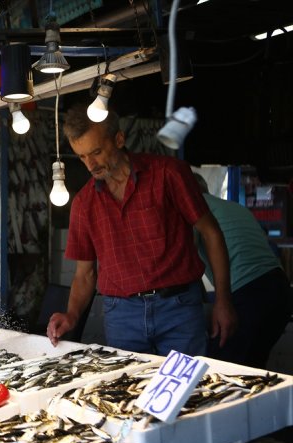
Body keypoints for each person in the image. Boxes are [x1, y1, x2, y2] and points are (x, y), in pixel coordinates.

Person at [46, 104, 237, 357]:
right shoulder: (83, 204)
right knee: (130, 391)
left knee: (189, 390)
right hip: (121, 315)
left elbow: (211, 233)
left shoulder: (169, 174)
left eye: (96, 152)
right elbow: (85, 275)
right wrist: (71, 314)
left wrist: (223, 300)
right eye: (82, 156)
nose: (90, 165)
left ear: (119, 139)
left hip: (178, 307)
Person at [193, 173, 291, 368]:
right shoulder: (233, 207)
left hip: (248, 293)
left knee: (221, 371)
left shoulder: (194, 209)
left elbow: (186, 264)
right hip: (281, 290)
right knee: (252, 369)